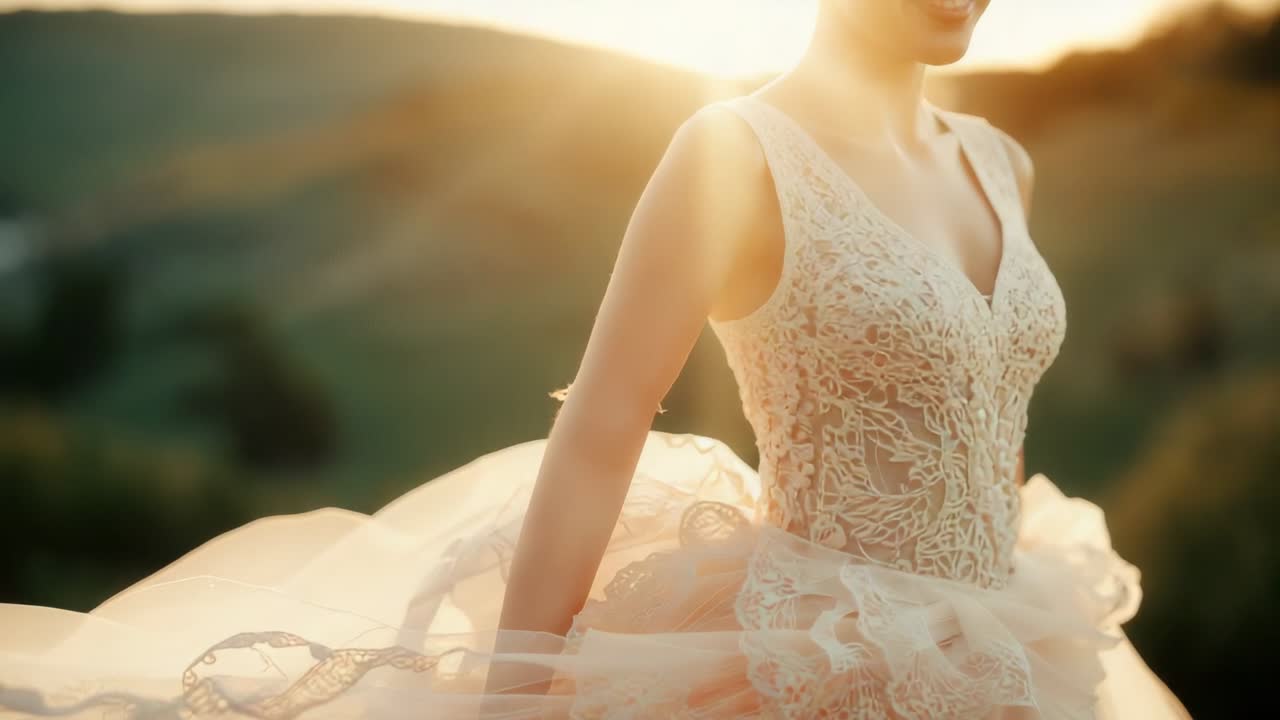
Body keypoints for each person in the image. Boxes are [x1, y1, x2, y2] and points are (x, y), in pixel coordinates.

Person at [0, 1, 1194, 717]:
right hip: (814, 667)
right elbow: (603, 422)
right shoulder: (733, 150)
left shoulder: (1001, 162)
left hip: (1015, 647)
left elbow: (988, 406)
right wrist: (514, 697)